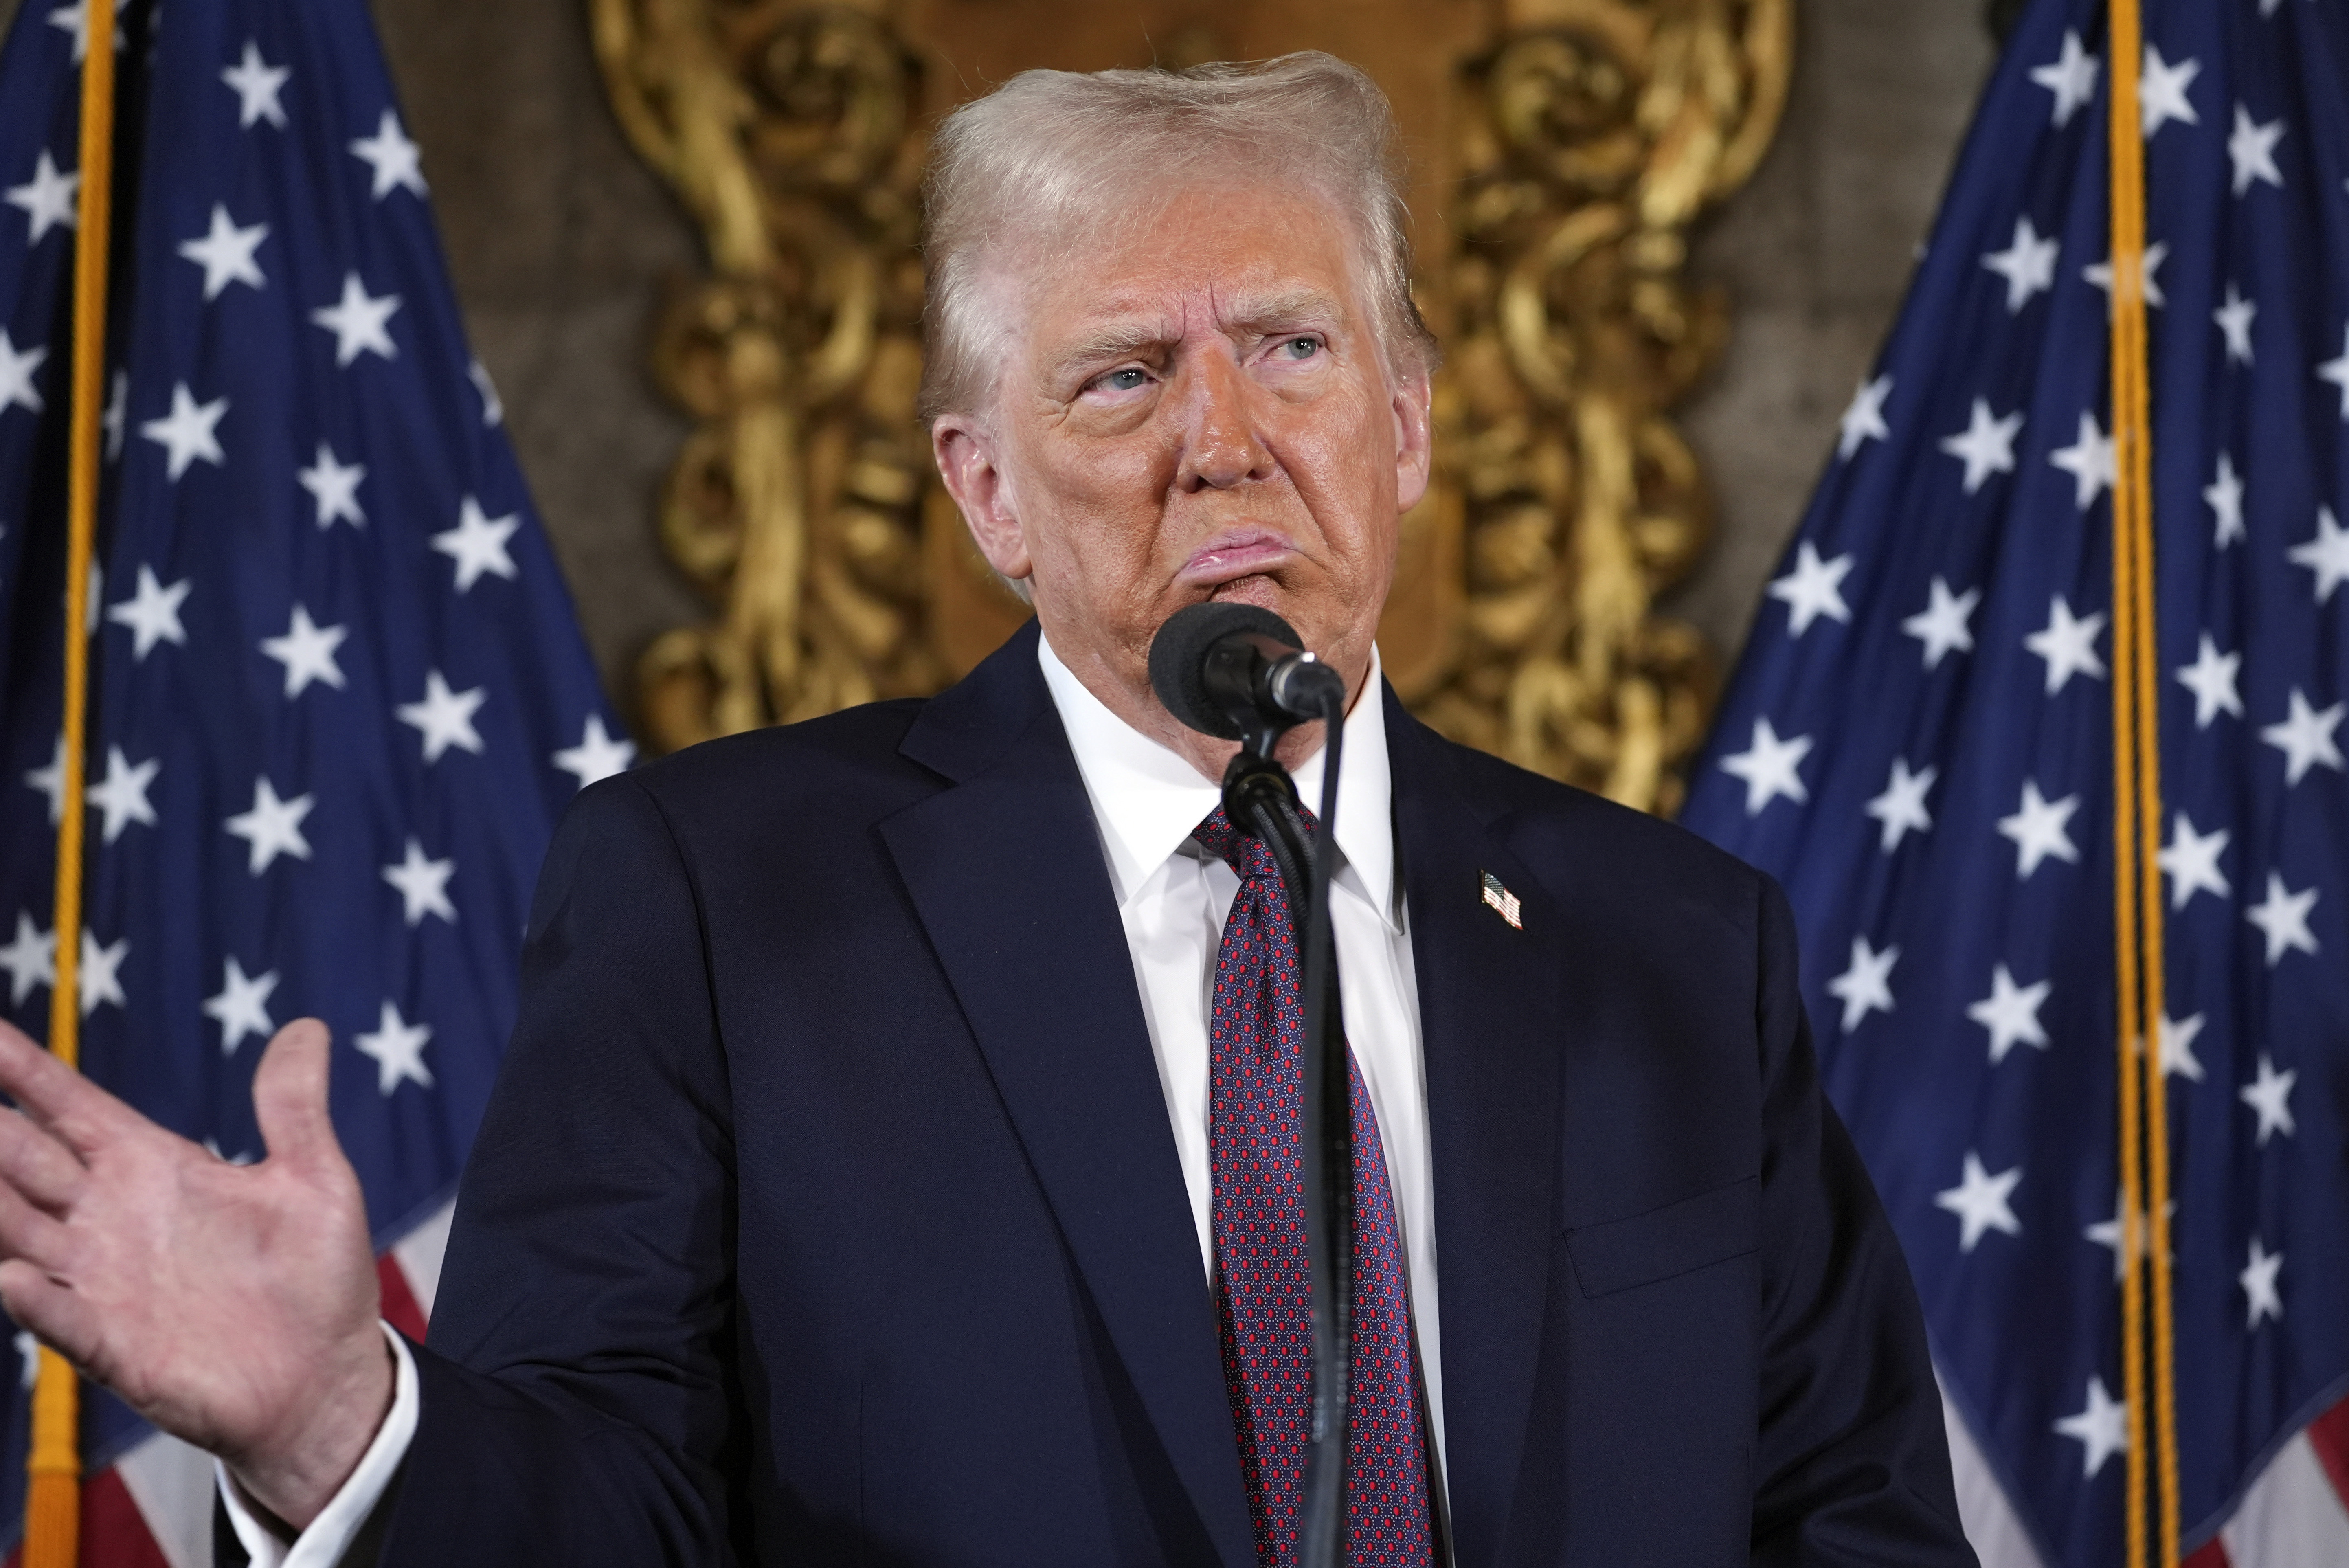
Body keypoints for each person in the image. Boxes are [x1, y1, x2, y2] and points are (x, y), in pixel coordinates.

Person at [0, 53, 1976, 1568]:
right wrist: (338, 1426)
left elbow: (1852, 1517)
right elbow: (605, 1510)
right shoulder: (717, 900)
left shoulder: (1672, 942)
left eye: (1290, 348)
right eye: (1119, 379)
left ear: (1403, 423)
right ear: (984, 495)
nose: (1224, 442)